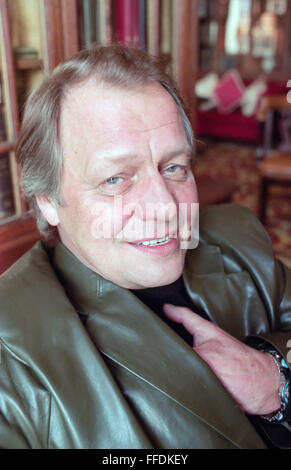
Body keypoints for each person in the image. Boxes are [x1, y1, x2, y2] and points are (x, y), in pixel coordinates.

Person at [0, 44, 291, 449]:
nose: (165, 206)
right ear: (48, 200)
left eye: (174, 167)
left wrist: (276, 379)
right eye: (116, 179)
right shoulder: (9, 350)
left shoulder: (238, 237)